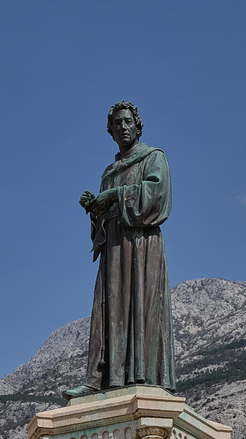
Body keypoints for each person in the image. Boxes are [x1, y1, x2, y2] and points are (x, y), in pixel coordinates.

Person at [63, 101, 175, 398]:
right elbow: (102, 220)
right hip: (113, 246)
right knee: (108, 306)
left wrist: (115, 195)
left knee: (140, 304)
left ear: (138, 126)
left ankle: (141, 374)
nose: (123, 128)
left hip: (141, 244)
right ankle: (103, 378)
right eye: (117, 124)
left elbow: (157, 196)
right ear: (110, 132)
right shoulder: (109, 173)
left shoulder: (153, 157)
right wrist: (94, 209)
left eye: (127, 122)